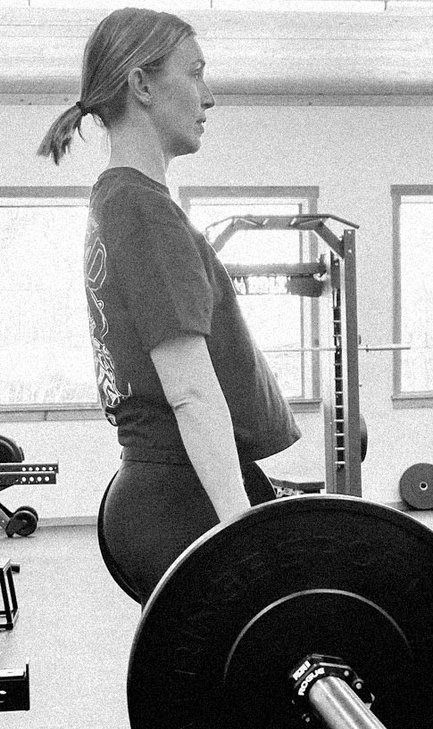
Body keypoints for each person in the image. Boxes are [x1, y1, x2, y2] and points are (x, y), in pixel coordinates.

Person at [38, 8, 297, 602]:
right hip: (181, 495)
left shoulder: (118, 201)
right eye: (195, 72)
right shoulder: (144, 210)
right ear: (142, 84)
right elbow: (191, 393)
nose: (209, 96)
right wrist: (241, 534)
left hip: (161, 492)